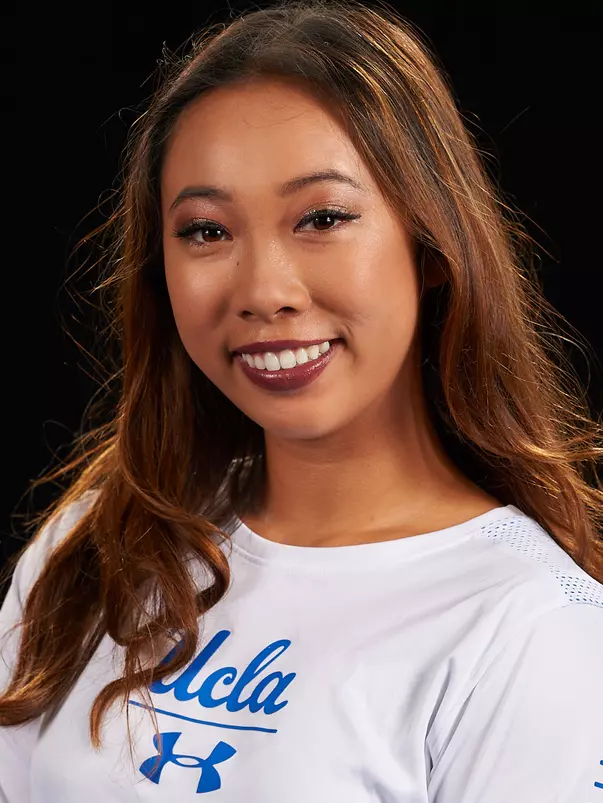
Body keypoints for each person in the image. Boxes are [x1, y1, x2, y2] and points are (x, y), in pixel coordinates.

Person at [1, 0, 602, 800]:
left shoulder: (531, 624)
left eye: (321, 218)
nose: (263, 291)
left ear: (430, 243)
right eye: (206, 231)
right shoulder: (89, 548)